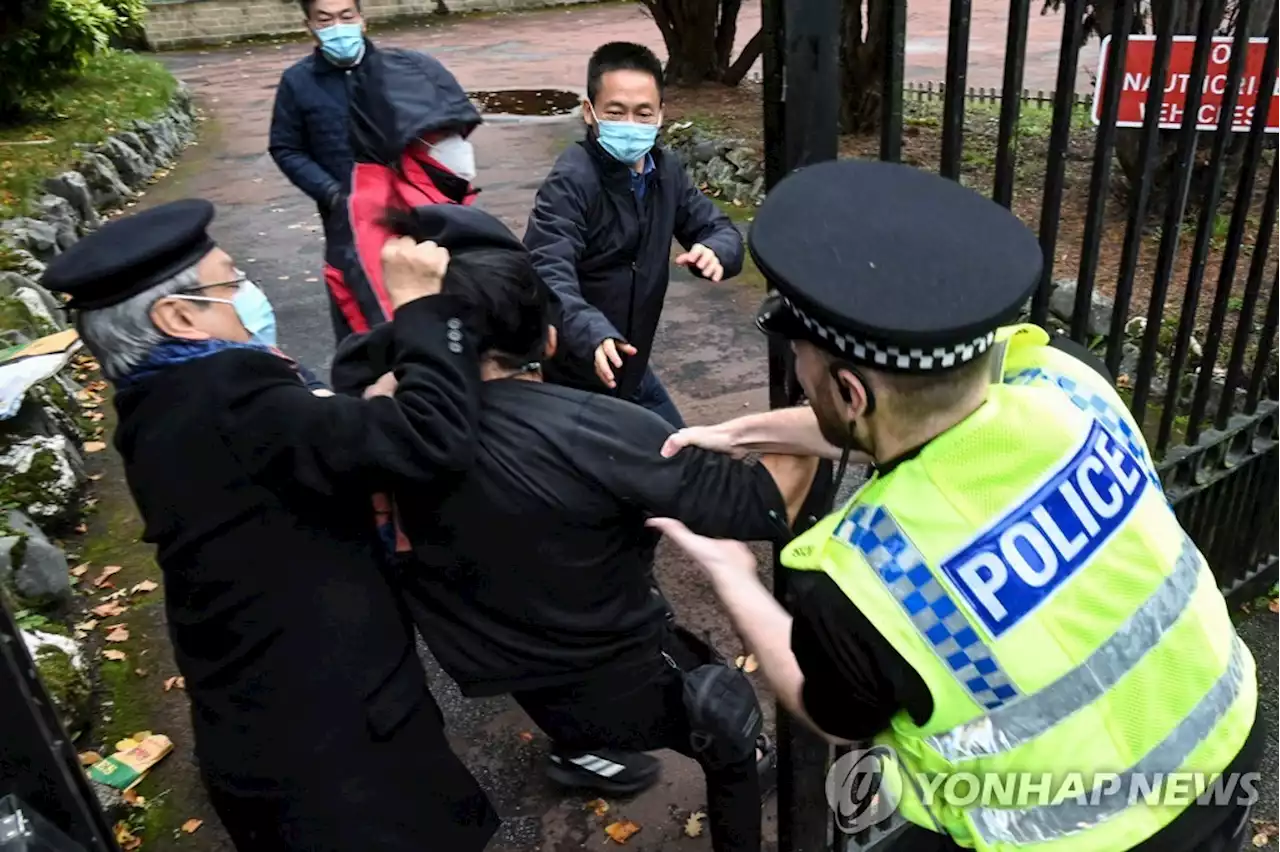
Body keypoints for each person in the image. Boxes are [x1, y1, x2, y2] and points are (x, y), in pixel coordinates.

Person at [651, 159, 1261, 852]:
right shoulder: (1068, 381)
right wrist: (744, 432)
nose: (798, 377)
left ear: (850, 392)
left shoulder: (867, 574)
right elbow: (935, 411)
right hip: (1224, 742)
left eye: (803, 368)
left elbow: (837, 717)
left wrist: (730, 571)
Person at [333, 204, 817, 851]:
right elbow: (765, 504)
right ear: (551, 337)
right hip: (612, 669)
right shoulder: (603, 431)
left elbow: (361, 366)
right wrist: (821, 408)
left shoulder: (374, 420)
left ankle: (579, 751)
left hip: (498, 667)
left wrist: (416, 328)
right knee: (724, 718)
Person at [40, 199, 499, 852]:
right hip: (344, 769)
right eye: (231, 280)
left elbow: (302, 446)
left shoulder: (161, 403)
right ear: (177, 317)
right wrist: (422, 308)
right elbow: (434, 441)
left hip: (265, 743)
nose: (248, 291)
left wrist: (359, 412)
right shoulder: (235, 397)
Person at [524, 41, 745, 429]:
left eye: (643, 113)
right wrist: (591, 332)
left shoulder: (666, 171)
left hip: (631, 367)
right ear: (590, 113)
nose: (630, 124)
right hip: (575, 374)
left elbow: (718, 228)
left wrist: (715, 250)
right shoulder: (572, 179)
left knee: (684, 461)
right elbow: (547, 269)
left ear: (661, 114)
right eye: (616, 112)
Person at [339, 46, 483, 337]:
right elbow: (397, 330)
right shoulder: (371, 216)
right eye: (443, 133)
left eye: (458, 131)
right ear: (403, 137)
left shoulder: (434, 187)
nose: (456, 144)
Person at [269, 0, 370, 344]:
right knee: (355, 310)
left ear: (362, 20)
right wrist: (331, 192)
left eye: (346, 17)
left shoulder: (397, 71)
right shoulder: (298, 82)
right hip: (344, 218)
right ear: (309, 26)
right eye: (325, 20)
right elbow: (285, 147)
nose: (338, 27)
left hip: (407, 210)